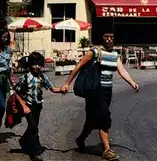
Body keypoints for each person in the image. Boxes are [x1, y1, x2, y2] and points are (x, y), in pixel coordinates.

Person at [61, 33, 140, 161]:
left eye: (111, 37)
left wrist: (132, 82)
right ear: (101, 38)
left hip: (107, 91)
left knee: (92, 119)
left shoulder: (115, 54)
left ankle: (80, 139)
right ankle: (107, 150)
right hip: (94, 91)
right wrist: (66, 84)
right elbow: (78, 67)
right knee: (104, 117)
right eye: (106, 36)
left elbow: (122, 70)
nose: (109, 39)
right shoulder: (94, 52)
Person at [13, 52, 63, 161]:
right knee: (33, 128)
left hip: (38, 106)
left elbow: (52, 89)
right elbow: (16, 93)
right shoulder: (25, 78)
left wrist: (62, 89)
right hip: (28, 106)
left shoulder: (42, 77)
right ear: (30, 65)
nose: (37, 67)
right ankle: (34, 153)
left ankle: (23, 140)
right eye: (35, 64)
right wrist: (23, 106)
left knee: (33, 126)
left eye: (40, 64)